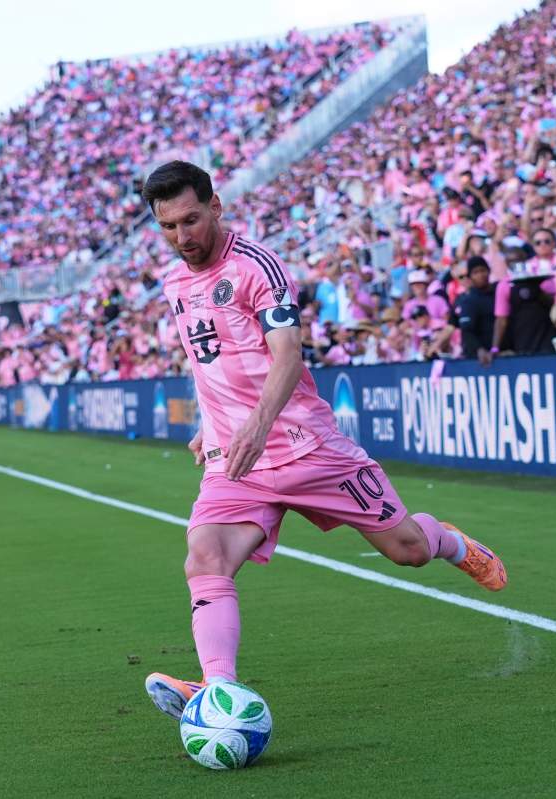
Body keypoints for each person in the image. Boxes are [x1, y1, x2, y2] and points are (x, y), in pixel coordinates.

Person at [137, 161, 507, 721]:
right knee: (204, 556)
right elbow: (206, 360)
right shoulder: (174, 284)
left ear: (216, 207)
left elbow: (287, 355)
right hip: (236, 462)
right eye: (168, 227)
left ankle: (450, 542)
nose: (181, 238)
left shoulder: (257, 266)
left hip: (307, 447)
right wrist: (207, 428)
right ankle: (218, 691)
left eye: (190, 220)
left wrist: (258, 425)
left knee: (406, 550)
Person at [452, 256, 497, 364]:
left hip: (499, 352)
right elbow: (467, 330)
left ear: (489, 271)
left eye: (483, 270)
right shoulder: (468, 300)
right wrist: (479, 349)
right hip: (478, 358)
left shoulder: (498, 293)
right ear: (470, 276)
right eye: (475, 272)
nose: (480, 275)